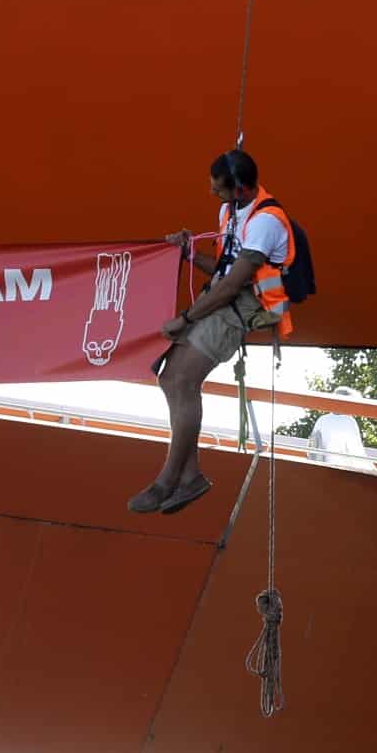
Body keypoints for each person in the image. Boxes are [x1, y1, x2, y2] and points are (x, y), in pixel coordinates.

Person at [130, 149, 294, 514]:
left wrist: (185, 319)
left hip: (244, 307)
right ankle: (189, 477)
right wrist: (190, 254)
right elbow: (221, 271)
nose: (212, 194)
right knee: (170, 377)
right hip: (225, 298)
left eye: (218, 188)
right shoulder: (229, 212)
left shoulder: (267, 221)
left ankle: (169, 480)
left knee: (182, 380)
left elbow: (231, 286)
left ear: (238, 189)